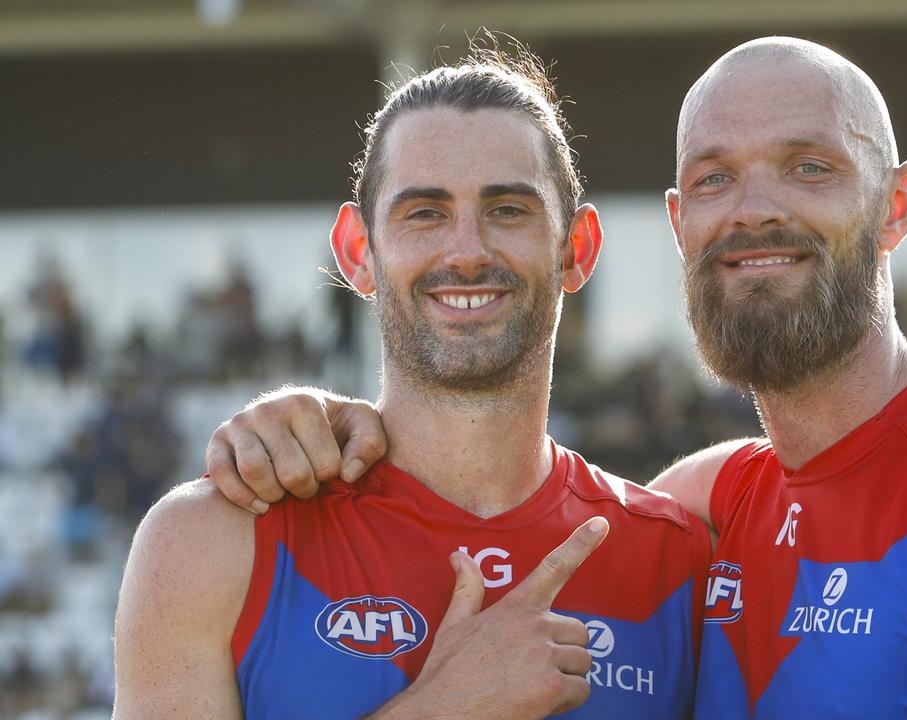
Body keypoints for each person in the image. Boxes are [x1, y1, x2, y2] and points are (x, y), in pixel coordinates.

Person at [206, 38, 907, 718]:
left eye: (807, 167)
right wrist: (317, 422)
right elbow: (489, 480)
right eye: (714, 178)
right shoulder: (700, 510)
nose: (752, 210)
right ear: (678, 223)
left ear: (895, 204)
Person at [114, 44, 709, 720]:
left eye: (509, 209)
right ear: (358, 253)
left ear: (577, 248)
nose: (467, 251)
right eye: (424, 213)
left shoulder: (678, 561)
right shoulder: (210, 542)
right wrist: (444, 706)